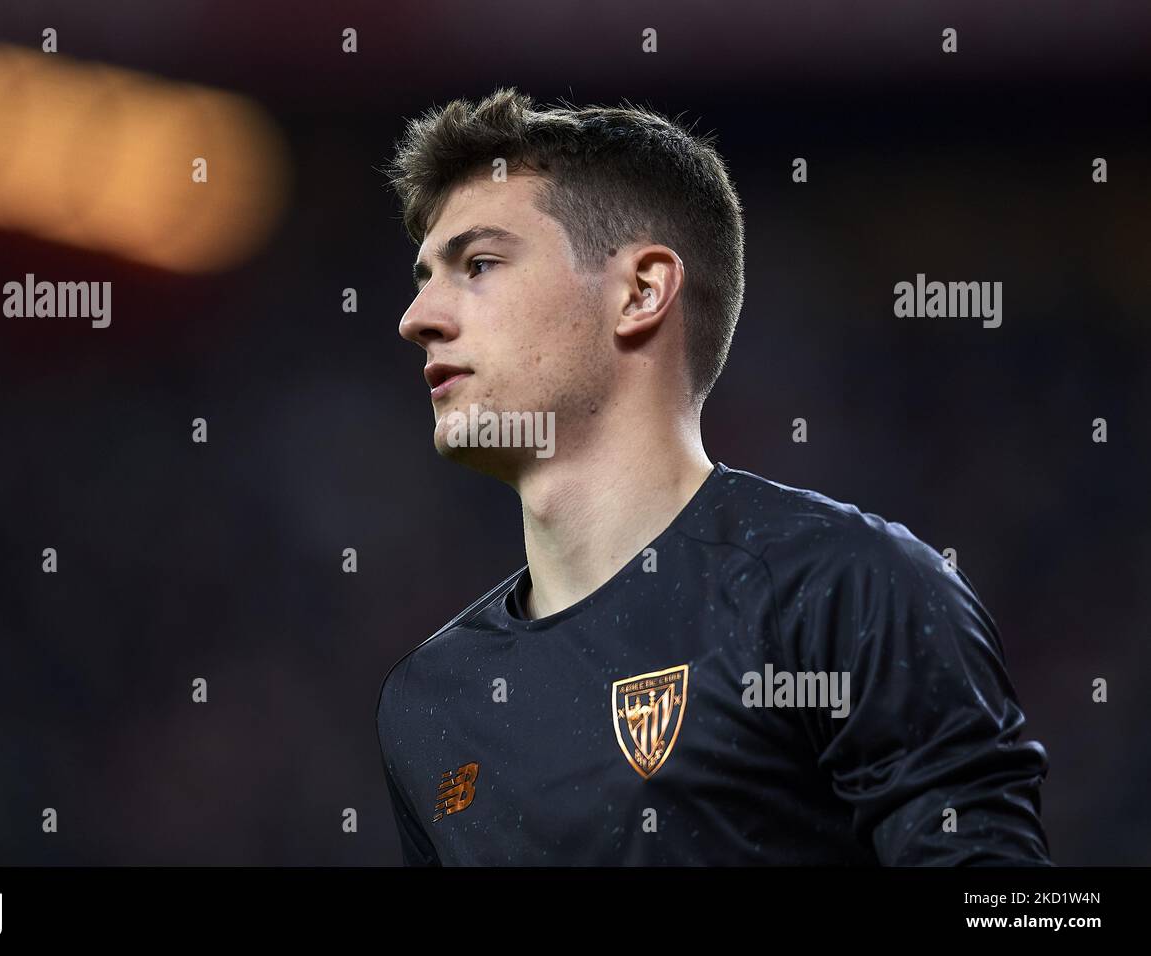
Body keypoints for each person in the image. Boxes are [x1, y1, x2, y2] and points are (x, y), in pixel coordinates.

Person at [375, 87, 1051, 865]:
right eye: (426, 275)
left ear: (640, 291)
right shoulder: (429, 700)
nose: (418, 315)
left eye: (478, 264)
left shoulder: (841, 591)